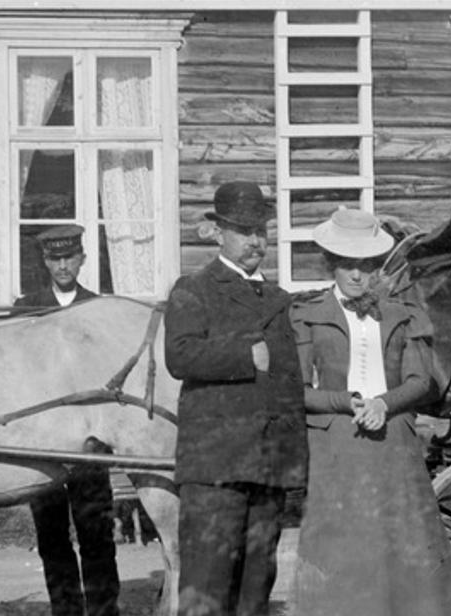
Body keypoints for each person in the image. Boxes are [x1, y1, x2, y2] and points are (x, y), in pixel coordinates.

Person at [287, 208, 451, 616]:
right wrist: (346, 402)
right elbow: (297, 391)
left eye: (366, 266)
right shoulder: (308, 316)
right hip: (336, 446)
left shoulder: (404, 314)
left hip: (393, 443)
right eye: (347, 265)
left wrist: (382, 405)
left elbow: (420, 381)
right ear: (332, 265)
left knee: (402, 547)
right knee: (342, 550)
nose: (357, 275)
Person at [164, 181, 308, 616]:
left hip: (267, 468)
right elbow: (180, 355)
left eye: (261, 230)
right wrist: (244, 355)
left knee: (255, 589)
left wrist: (295, 464)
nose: (255, 241)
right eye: (244, 231)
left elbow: (289, 388)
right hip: (216, 469)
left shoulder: (279, 299)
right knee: (207, 591)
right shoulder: (193, 289)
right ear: (218, 232)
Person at [18, 225, 121, 616]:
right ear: (45, 262)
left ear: (82, 259)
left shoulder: (99, 310)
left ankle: (103, 610)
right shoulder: (25, 308)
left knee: (97, 532)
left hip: (90, 441)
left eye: (69, 257)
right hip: (43, 443)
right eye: (54, 259)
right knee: (51, 535)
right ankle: (65, 610)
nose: (62, 265)